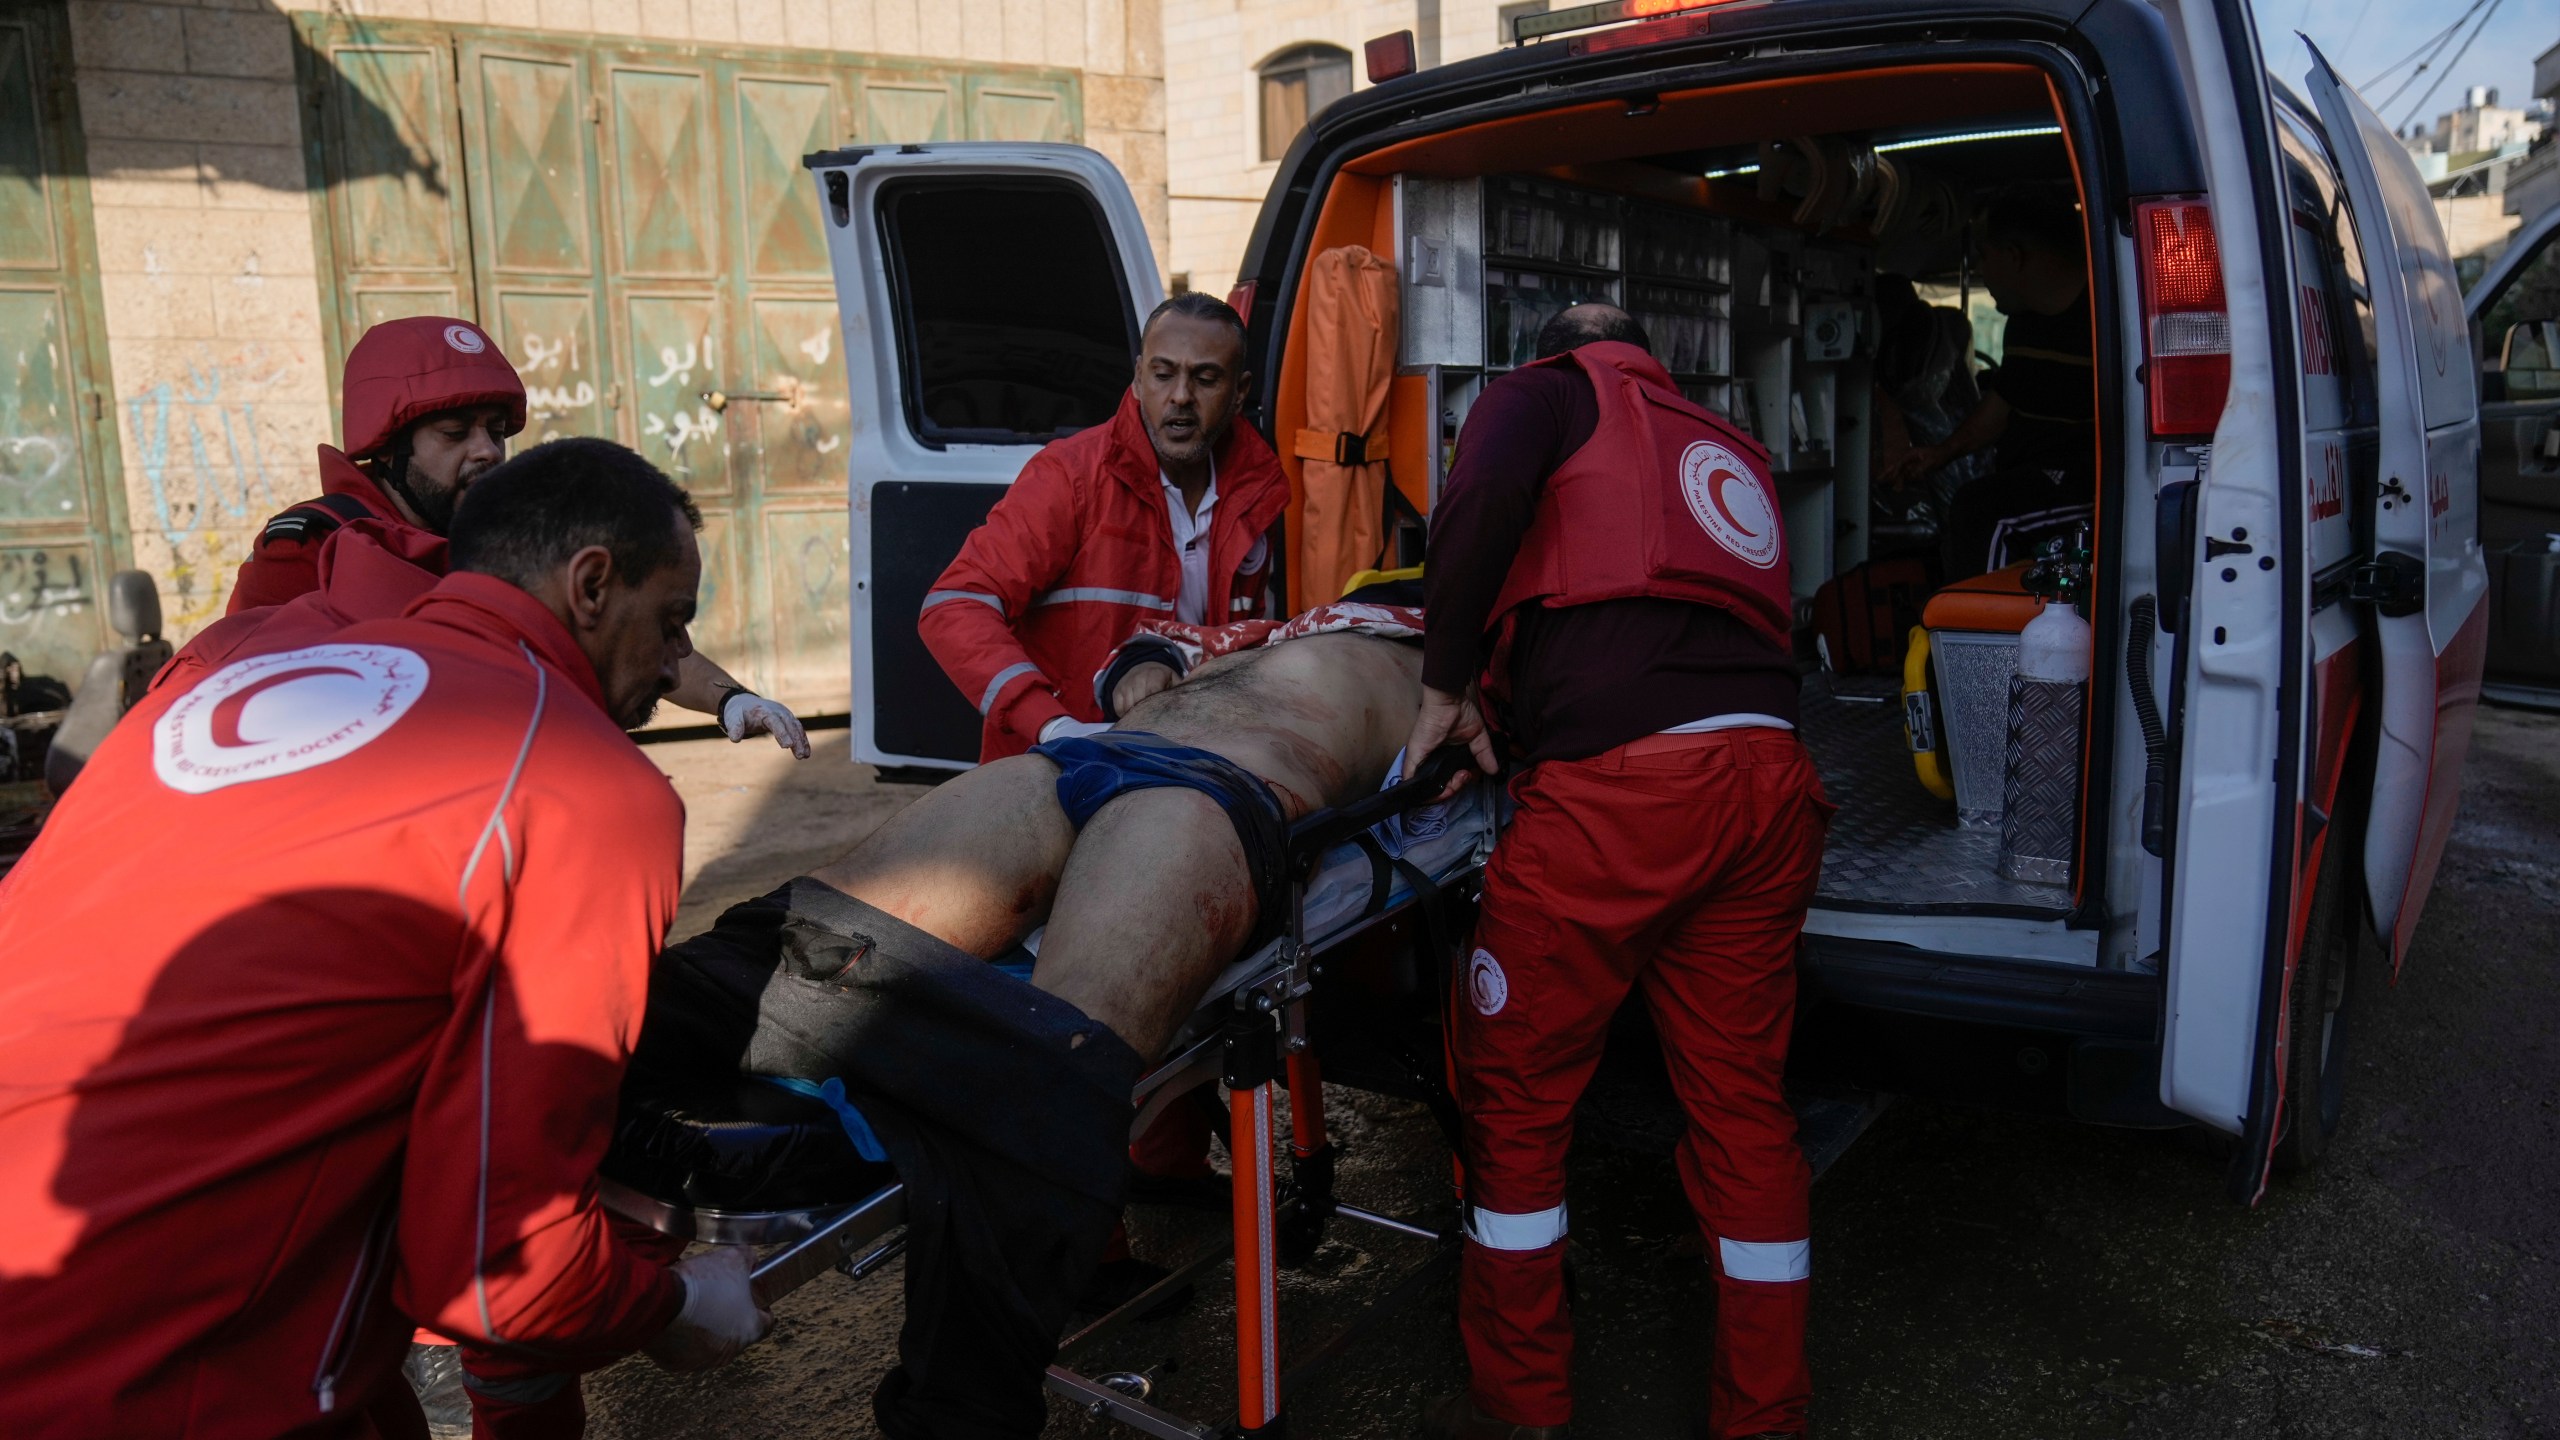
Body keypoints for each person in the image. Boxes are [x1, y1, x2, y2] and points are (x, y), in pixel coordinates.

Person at [0, 438, 772, 1439]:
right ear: (590, 584)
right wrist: (678, 1306)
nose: (677, 666)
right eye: (672, 624)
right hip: (143, 1373)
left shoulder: (225, 680)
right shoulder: (578, 786)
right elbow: (502, 1275)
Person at [629, 608, 1440, 1440]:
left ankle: (948, 1406)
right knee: (799, 942)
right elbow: (1148, 644)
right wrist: (1140, 667)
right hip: (1073, 759)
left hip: (1220, 787)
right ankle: (608, 1114)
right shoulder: (1285, 619)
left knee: (1055, 1060)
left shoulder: (1458, 651)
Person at [1404, 305, 1832, 1440]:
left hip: (1624, 803)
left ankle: (1522, 1402)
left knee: (1516, 1101)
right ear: (1655, 354)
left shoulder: (1541, 392)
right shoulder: (1719, 441)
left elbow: (1482, 503)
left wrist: (1447, 685)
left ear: (1550, 348)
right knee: (1743, 1111)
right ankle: (1765, 1417)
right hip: (1770, 784)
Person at [230, 314, 809, 756]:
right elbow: (235, 707)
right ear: (386, 447)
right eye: (455, 432)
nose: (486, 451)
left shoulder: (499, 537)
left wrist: (733, 698)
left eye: (497, 432)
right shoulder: (307, 548)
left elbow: (622, 637)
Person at [920, 293, 1287, 763]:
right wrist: (1052, 726)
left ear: (1240, 392)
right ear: (1137, 379)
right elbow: (955, 605)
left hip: (1192, 759)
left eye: (1205, 378)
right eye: (1162, 373)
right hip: (1054, 768)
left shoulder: (1257, 492)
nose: (1180, 396)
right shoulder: (1070, 477)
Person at [1879, 191, 2097, 578]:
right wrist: (1939, 453)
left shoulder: (2104, 324)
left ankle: (1977, 635)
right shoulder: (2025, 324)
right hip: (2030, 477)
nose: (1980, 270)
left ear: (2013, 256)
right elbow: (2001, 404)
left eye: (1984, 256)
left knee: (1985, 512)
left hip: (2085, 488)